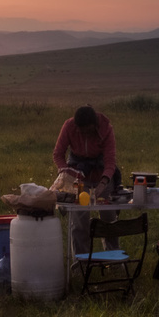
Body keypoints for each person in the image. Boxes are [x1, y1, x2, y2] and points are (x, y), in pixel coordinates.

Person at [53, 105, 121, 252]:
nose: (83, 134)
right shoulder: (69, 126)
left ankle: (114, 260)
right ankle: (80, 263)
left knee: (109, 220)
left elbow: (110, 161)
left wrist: (103, 183)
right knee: (79, 223)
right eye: (80, 131)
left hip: (101, 175)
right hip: (78, 178)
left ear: (94, 125)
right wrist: (66, 172)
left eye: (87, 131)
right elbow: (58, 154)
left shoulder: (106, 129)